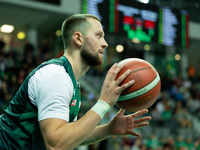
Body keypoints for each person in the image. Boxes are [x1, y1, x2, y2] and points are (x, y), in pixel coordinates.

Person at [0, 14, 151, 150]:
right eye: (98, 35)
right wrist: (104, 103)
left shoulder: (71, 80)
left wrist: (107, 129)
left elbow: (69, 136)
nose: (105, 43)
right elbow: (56, 144)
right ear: (78, 39)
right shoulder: (56, 76)